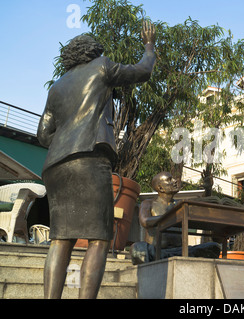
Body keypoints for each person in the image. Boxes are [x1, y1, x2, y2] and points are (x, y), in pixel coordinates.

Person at [37, 21, 157, 299]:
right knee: (99, 239)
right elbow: (142, 71)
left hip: (56, 166)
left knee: (60, 238)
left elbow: (44, 135)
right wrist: (149, 45)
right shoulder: (102, 66)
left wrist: (66, 139)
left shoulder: (56, 87)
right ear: (92, 51)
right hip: (89, 158)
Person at [130, 172, 220, 264]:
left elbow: (201, 216)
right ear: (160, 188)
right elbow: (145, 221)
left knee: (213, 247)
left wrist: (208, 190)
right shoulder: (148, 203)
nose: (175, 181)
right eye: (169, 180)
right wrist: (173, 217)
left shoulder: (181, 204)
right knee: (137, 248)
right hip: (156, 251)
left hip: (180, 251)